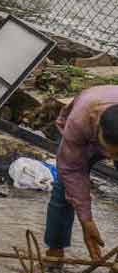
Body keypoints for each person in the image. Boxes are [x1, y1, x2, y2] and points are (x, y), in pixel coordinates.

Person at [44, 87, 118, 261]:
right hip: (83, 134)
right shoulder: (79, 121)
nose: (112, 160)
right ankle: (55, 253)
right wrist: (87, 221)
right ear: (99, 131)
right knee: (64, 188)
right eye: (112, 153)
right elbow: (71, 170)